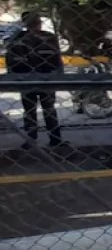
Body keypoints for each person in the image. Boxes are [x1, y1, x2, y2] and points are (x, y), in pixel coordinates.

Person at [5, 12, 64, 148]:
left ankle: (48, 139)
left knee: (38, 110)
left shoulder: (47, 38)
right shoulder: (19, 38)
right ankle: (45, 139)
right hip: (33, 79)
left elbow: (56, 59)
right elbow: (12, 60)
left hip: (41, 79)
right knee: (39, 110)